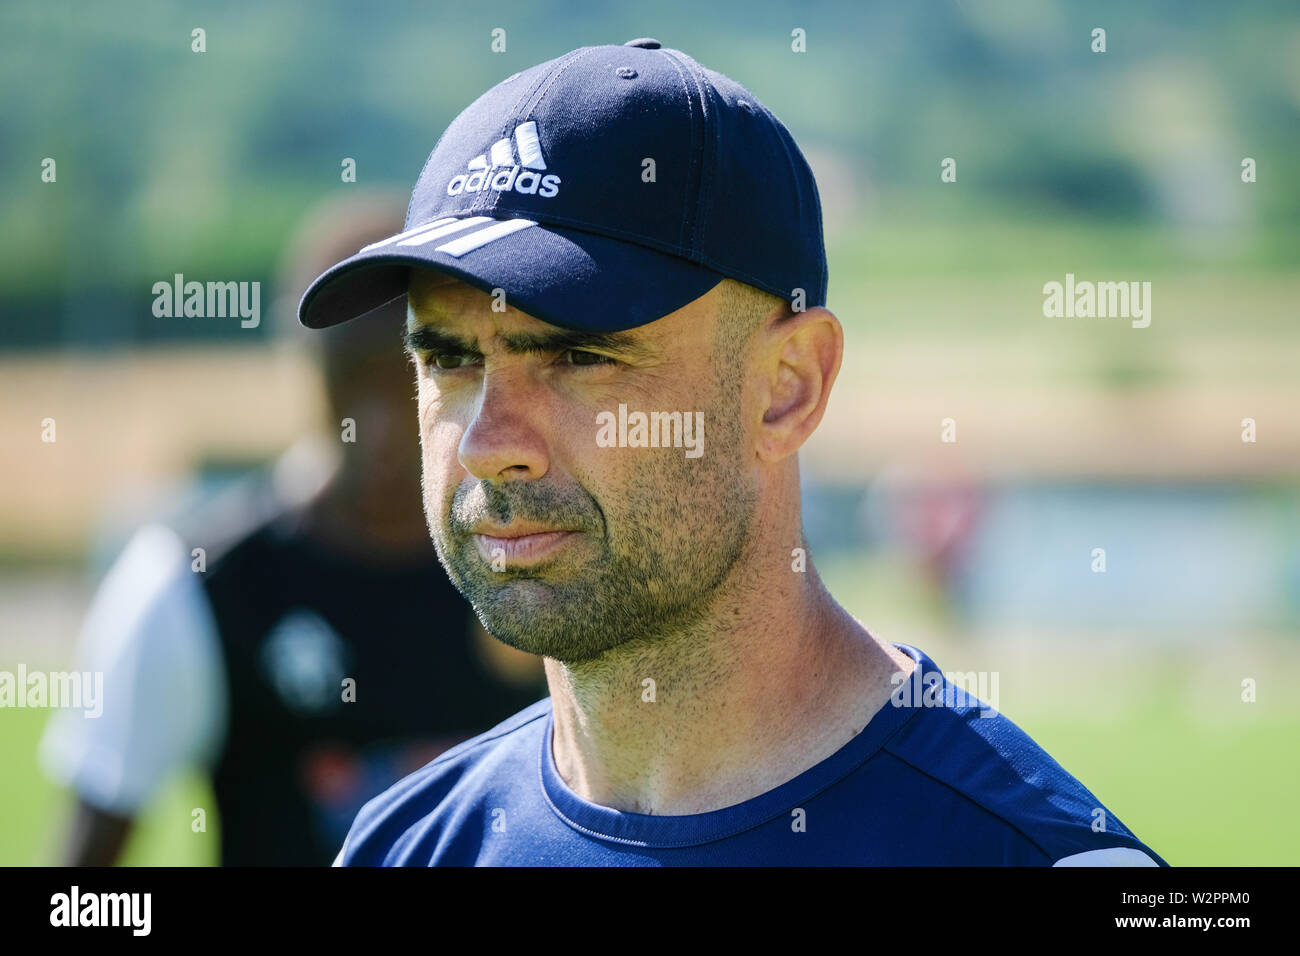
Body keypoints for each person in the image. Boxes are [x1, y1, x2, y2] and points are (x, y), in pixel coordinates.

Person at [299, 40, 1166, 866]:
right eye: (448, 358)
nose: (490, 447)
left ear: (789, 386)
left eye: (580, 356)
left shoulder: (1030, 855)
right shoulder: (402, 846)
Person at [39, 193, 545, 866]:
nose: (384, 425)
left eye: (412, 375)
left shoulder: (536, 552)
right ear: (304, 360)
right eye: (350, 377)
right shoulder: (197, 580)